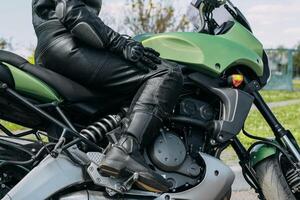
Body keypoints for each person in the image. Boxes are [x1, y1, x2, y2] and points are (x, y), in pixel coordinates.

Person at [32, 0, 183, 193]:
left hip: (52, 47)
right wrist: (121, 43)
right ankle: (125, 151)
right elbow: (71, 10)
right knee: (166, 73)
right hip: (69, 43)